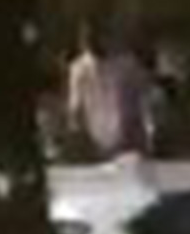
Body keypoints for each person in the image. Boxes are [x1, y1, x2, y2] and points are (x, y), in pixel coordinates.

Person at [66, 27, 154, 160]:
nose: (92, 44)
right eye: (87, 41)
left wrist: (147, 130)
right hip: (95, 143)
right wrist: (76, 133)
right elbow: (75, 105)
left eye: (96, 39)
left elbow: (143, 98)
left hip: (128, 141)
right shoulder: (78, 69)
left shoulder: (127, 65)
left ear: (105, 38)